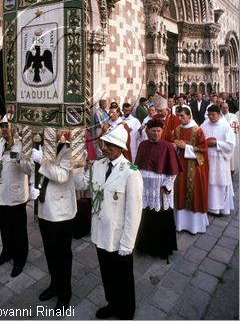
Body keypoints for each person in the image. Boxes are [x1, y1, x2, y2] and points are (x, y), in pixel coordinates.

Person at [74, 124, 143, 320]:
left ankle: (127, 310)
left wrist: (128, 243)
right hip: (100, 233)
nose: (105, 148)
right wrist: (77, 164)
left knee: (123, 277)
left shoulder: (131, 172)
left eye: (111, 145)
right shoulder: (97, 165)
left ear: (121, 148)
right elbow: (81, 184)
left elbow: (134, 212)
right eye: (105, 143)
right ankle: (112, 303)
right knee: (107, 273)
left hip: (119, 236)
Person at [32, 130, 77, 312]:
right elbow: (38, 172)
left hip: (62, 212)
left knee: (62, 255)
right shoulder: (46, 147)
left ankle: (65, 293)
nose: (53, 132)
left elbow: (61, 176)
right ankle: (54, 285)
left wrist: (42, 159)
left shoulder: (69, 150)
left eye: (57, 129)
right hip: (45, 208)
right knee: (50, 252)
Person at [135, 120, 183, 261]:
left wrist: (167, 186)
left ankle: (162, 249)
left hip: (160, 190)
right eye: (153, 130)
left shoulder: (168, 146)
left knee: (162, 219)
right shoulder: (142, 145)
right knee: (146, 217)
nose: (156, 133)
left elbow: (173, 172)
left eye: (159, 131)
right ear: (147, 131)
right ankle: (145, 246)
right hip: (145, 189)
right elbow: (136, 166)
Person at [0, 115, 34, 277]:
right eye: (2, 125)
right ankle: (6, 252)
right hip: (2, 193)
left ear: (15, 128)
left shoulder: (22, 144)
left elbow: (28, 169)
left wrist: (16, 154)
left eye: (7, 126)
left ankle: (20, 259)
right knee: (5, 227)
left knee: (19, 230)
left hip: (16, 194)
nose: (4, 129)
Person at [174, 107, 209, 233]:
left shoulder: (197, 130)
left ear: (189, 116)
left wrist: (186, 147)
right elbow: (174, 145)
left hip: (193, 166)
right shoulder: (177, 129)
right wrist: (176, 145)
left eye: (182, 116)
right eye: (178, 116)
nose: (180, 118)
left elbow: (203, 149)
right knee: (180, 191)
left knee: (194, 192)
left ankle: (195, 226)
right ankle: (180, 223)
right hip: (180, 167)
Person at [201, 105, 236, 215]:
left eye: (213, 114)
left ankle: (220, 208)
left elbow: (231, 144)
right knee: (208, 182)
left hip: (220, 159)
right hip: (207, 158)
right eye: (209, 114)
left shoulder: (225, 126)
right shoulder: (205, 124)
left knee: (219, 183)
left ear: (219, 114)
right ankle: (208, 206)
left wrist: (216, 143)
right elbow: (198, 137)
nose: (211, 117)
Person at [220, 102, 239, 174]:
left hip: (231, 140)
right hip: (222, 141)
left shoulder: (233, 116)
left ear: (228, 108)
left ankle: (232, 170)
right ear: (221, 108)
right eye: (223, 107)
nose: (225, 109)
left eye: (226, 107)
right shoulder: (219, 117)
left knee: (232, 158)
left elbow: (236, 129)